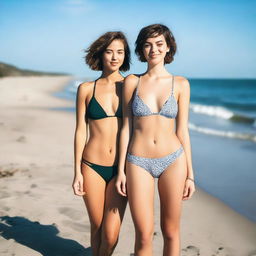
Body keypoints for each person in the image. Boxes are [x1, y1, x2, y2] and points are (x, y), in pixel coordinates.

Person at [116, 24, 196, 256]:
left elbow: (183, 131)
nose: (153, 49)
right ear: (142, 49)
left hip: (174, 160)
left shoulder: (180, 84)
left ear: (168, 47)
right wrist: (121, 170)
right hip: (137, 162)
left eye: (159, 44)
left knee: (171, 231)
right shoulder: (132, 82)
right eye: (148, 44)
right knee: (143, 235)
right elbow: (125, 128)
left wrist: (190, 174)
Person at [72, 31, 130, 256]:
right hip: (91, 166)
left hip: (121, 170)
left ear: (125, 56)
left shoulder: (131, 86)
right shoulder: (86, 89)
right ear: (100, 54)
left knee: (111, 235)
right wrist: (77, 172)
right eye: (109, 51)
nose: (115, 57)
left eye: (120, 52)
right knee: (96, 227)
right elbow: (80, 131)